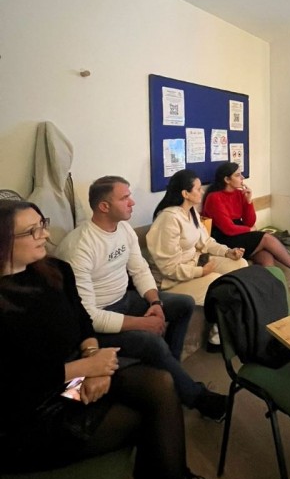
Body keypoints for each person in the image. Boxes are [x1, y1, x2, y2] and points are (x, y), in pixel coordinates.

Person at [0, 199, 246, 479]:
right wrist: (85, 370)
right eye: (32, 231)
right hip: (26, 416)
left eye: (43, 224)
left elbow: (83, 322)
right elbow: (10, 387)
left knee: (159, 384)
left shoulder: (53, 271)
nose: (45, 235)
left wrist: (91, 356)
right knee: (151, 416)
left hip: (68, 383)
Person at [56, 176, 226, 421]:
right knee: (152, 342)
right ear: (104, 206)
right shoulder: (80, 246)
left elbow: (139, 269)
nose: (132, 202)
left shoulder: (124, 229)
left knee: (184, 304)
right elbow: (89, 316)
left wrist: (155, 302)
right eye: (125, 198)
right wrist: (142, 323)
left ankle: (172, 372)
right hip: (97, 320)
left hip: (125, 299)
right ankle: (197, 398)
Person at [147, 170, 248, 349]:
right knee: (221, 284)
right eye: (198, 188)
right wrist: (201, 271)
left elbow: (206, 242)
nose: (202, 191)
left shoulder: (191, 211)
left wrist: (228, 252)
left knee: (240, 264)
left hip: (194, 265)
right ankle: (217, 337)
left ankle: (232, 323)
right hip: (170, 281)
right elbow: (168, 268)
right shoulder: (168, 219)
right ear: (185, 193)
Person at [202, 162, 290, 280]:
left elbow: (250, 222)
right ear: (227, 179)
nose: (242, 178)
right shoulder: (214, 197)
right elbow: (228, 228)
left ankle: (269, 286)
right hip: (224, 238)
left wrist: (248, 201)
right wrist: (250, 230)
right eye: (237, 175)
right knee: (266, 238)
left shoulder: (239, 193)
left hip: (239, 232)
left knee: (266, 257)